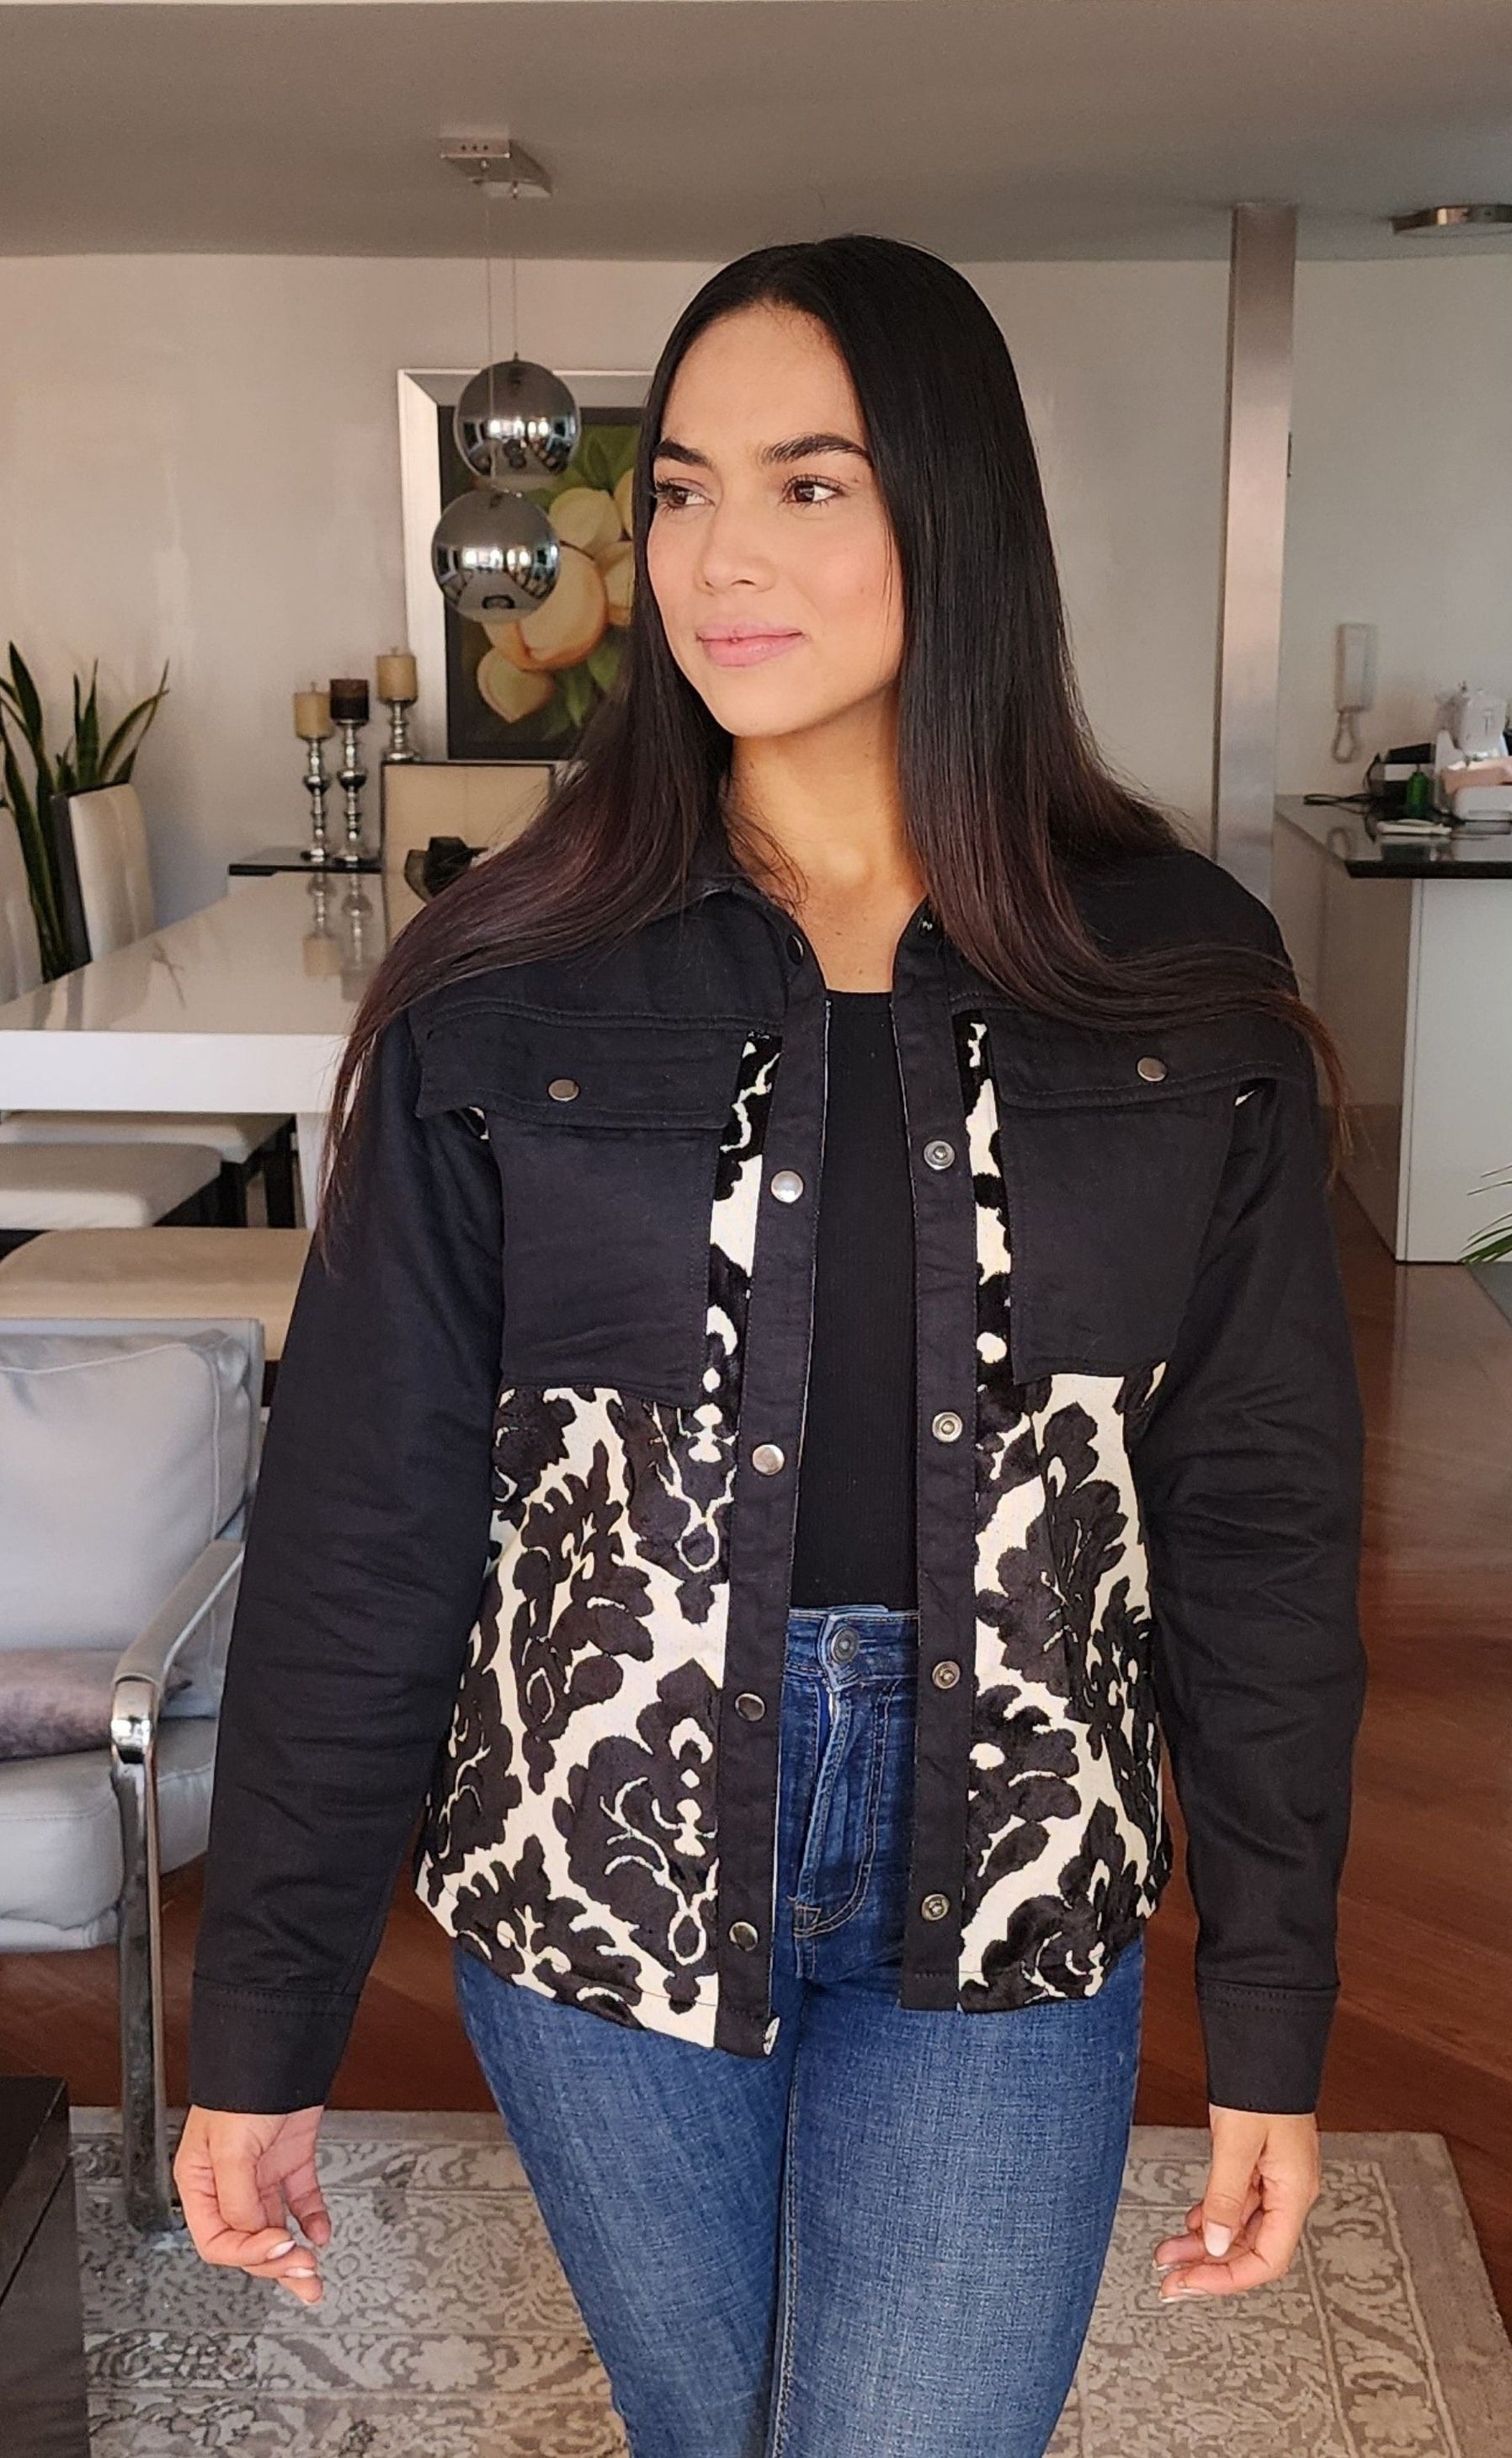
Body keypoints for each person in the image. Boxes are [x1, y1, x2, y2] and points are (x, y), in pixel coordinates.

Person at [175, 232, 1367, 2458]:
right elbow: (364, 1517)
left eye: (810, 483)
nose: (719, 555)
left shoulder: (1176, 971)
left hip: (1009, 1869)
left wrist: (1275, 2007)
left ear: (955, 514)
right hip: (596, 1863)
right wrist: (265, 2020)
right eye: (683, 490)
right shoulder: (505, 978)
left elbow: (1258, 1515)